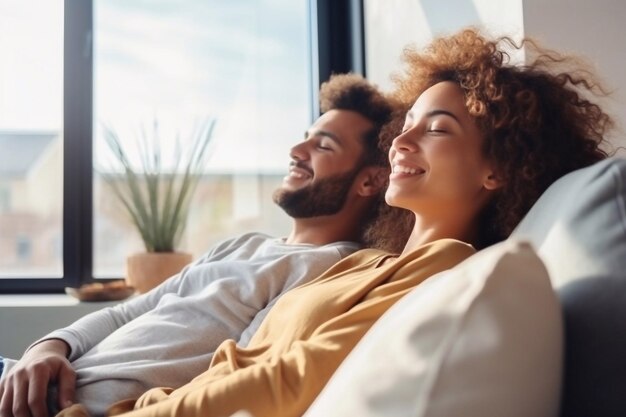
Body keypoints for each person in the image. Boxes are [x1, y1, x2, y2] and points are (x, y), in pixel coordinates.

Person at [51, 27, 612, 417]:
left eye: (436, 129)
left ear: (497, 169)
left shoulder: (447, 267)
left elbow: (286, 381)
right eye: (407, 123)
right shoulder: (371, 262)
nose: (402, 141)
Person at [0, 73, 398, 417]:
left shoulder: (332, 269)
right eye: (305, 138)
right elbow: (125, 315)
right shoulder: (242, 245)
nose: (296, 151)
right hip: (34, 378)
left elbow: (232, 373)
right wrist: (47, 350)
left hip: (71, 405)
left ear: (370, 181)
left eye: (323, 146)